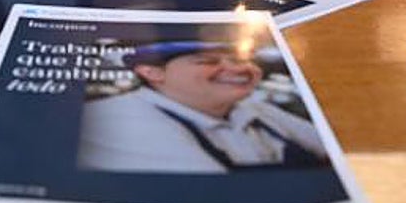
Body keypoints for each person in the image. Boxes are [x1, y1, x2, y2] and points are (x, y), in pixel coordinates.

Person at [76, 40, 328, 173]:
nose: (240, 69)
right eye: (207, 61)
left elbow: (329, 151)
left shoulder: (252, 109)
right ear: (152, 72)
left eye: (241, 60)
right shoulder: (119, 117)